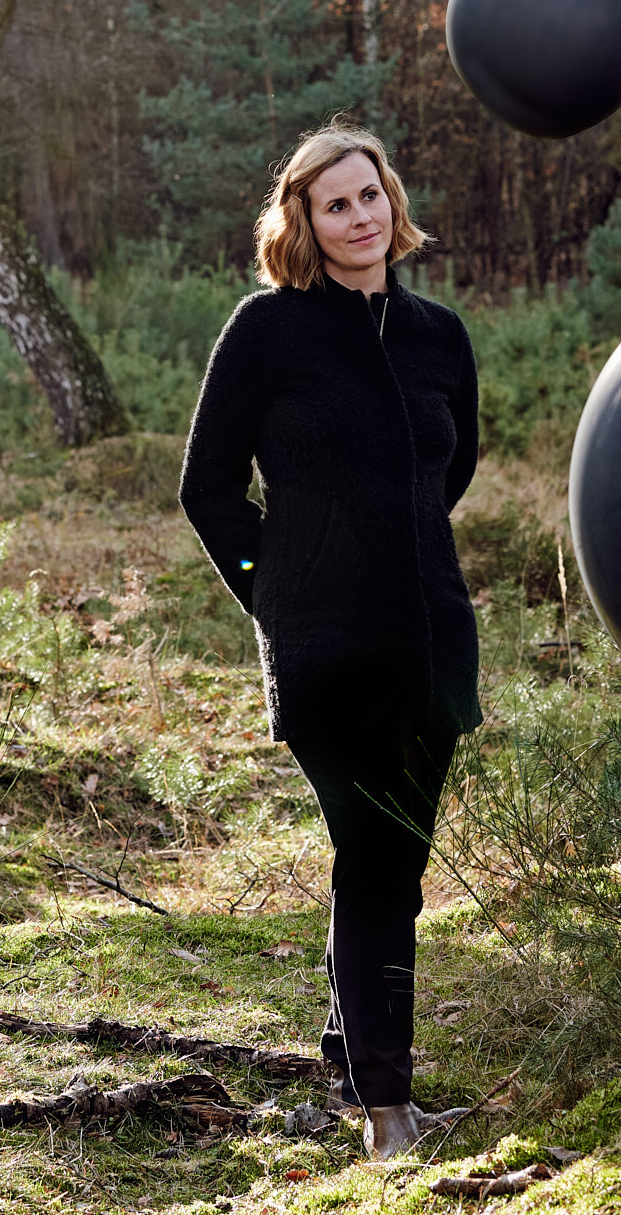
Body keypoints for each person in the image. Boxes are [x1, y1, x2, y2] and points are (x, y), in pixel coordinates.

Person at [179, 122, 480, 1162]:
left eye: (370, 196)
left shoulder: (439, 334)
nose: (359, 218)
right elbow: (207, 486)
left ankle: (363, 1064)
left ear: (394, 204)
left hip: (432, 641)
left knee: (398, 864)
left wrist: (400, 547)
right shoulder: (269, 330)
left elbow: (448, 471)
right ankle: (387, 1113)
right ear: (301, 222)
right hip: (325, 647)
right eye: (334, 204)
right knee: (373, 860)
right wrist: (277, 592)